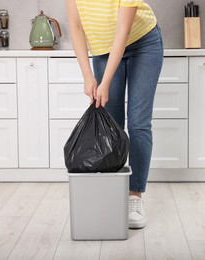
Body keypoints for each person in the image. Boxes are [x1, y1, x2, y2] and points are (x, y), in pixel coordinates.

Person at [66, 0, 163, 229]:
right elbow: (76, 27)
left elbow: (123, 30)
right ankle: (112, 192)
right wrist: (87, 76)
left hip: (144, 44)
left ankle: (134, 196)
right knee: (111, 123)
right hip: (103, 50)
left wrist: (105, 81)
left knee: (138, 123)